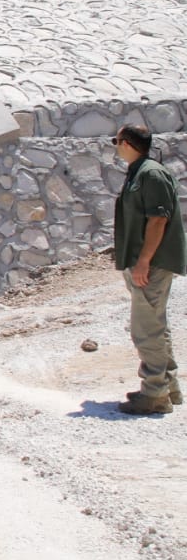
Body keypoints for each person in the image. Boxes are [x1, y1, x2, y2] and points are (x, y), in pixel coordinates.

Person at [110, 126, 184, 415]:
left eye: (117, 141)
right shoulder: (140, 171)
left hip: (151, 264)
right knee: (156, 325)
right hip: (145, 261)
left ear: (127, 143)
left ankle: (154, 394)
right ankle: (168, 387)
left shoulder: (150, 174)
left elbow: (157, 221)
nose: (115, 146)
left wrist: (143, 261)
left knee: (145, 330)